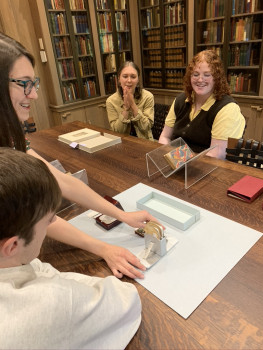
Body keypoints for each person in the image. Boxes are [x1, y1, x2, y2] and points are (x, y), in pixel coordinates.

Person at [0, 32, 159, 280]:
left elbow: (62, 181)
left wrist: (122, 215)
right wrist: (103, 247)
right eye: (24, 83)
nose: (34, 95)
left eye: (35, 83)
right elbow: (39, 216)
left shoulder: (10, 140)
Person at [0, 148, 141, 349]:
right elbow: (126, 300)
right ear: (13, 245)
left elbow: (37, 267)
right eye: (49, 220)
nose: (55, 221)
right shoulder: (51, 303)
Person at [159, 50, 245, 159]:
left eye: (207, 74)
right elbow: (164, 137)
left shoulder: (227, 108)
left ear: (217, 78)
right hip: (176, 163)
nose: (200, 79)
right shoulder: (180, 100)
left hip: (207, 169)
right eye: (195, 74)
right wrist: (172, 160)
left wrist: (179, 160)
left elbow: (216, 155)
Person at [106, 61, 154, 140]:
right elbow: (117, 132)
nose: (129, 80)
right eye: (125, 76)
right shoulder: (111, 101)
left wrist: (132, 104)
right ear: (119, 79)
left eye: (133, 77)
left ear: (138, 79)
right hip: (122, 143)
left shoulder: (148, 96)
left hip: (144, 142)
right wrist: (126, 109)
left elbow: (146, 127)